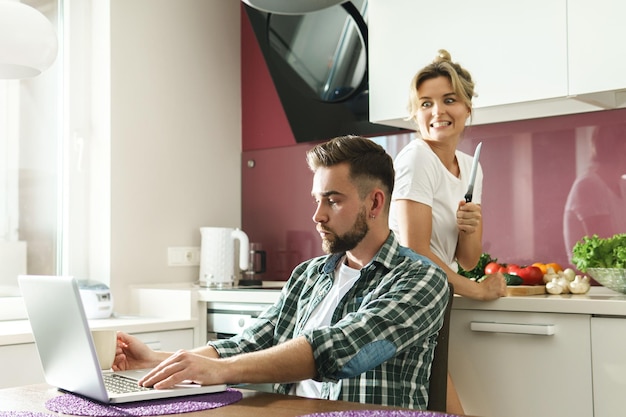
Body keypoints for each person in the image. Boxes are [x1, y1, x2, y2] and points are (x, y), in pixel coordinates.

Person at [113, 135, 449, 410]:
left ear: (375, 204)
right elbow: (254, 340)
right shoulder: (310, 274)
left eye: (332, 201)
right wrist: (158, 361)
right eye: (317, 200)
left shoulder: (420, 278)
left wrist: (220, 371)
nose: (317, 216)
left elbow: (340, 348)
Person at [388, 49, 507, 413]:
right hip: (401, 300)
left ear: (468, 108)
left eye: (449, 100)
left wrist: (471, 226)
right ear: (414, 113)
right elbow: (414, 253)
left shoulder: (470, 167)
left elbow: (467, 258)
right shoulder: (416, 158)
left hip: (434, 300)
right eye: (426, 103)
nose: (437, 111)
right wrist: (479, 291)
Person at [563, 123, 626, 261]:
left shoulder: (622, 184)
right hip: (591, 281)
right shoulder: (588, 185)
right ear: (620, 147)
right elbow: (608, 252)